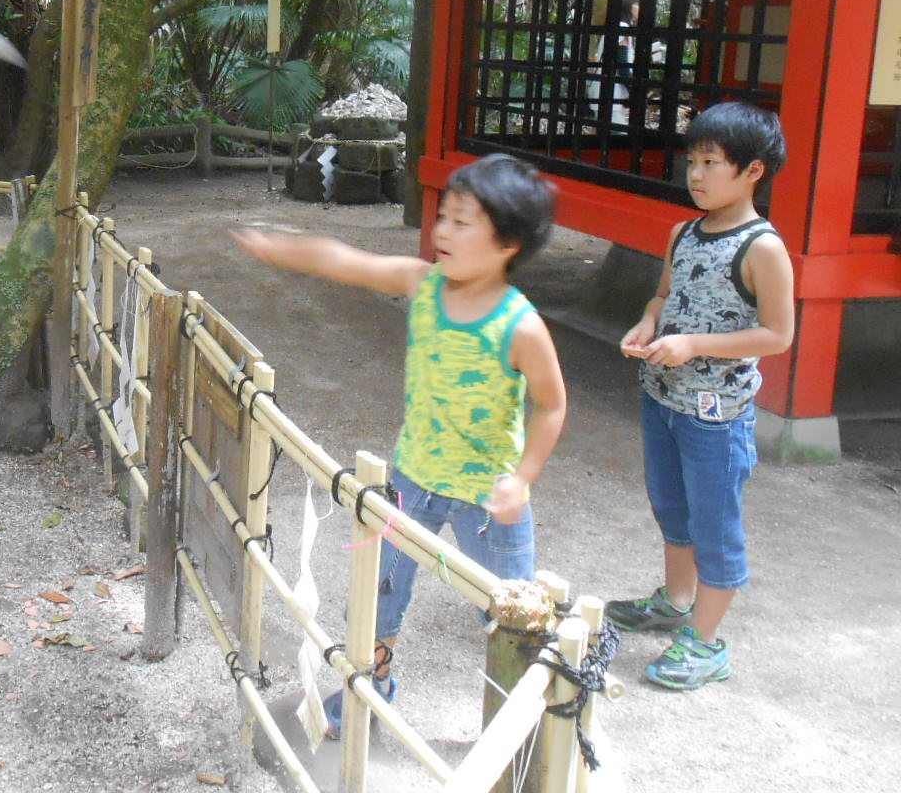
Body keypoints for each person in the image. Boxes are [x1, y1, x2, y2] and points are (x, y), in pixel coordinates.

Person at [232, 153, 567, 737]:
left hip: (489, 498)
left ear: (508, 243)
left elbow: (553, 404)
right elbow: (349, 262)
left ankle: (527, 734)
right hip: (411, 482)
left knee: (515, 616)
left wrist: (523, 478)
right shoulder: (424, 284)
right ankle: (370, 690)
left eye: (463, 222)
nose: (443, 231)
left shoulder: (521, 326)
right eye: (445, 216)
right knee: (375, 600)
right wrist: (281, 250)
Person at [611, 100, 795, 691]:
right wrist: (647, 324)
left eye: (711, 162)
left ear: (752, 171)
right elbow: (662, 298)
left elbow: (778, 334)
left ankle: (707, 643)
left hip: (717, 416)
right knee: (671, 507)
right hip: (663, 398)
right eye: (692, 160)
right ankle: (676, 602)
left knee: (714, 525)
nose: (695, 174)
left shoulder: (763, 248)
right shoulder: (683, 233)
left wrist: (694, 344)